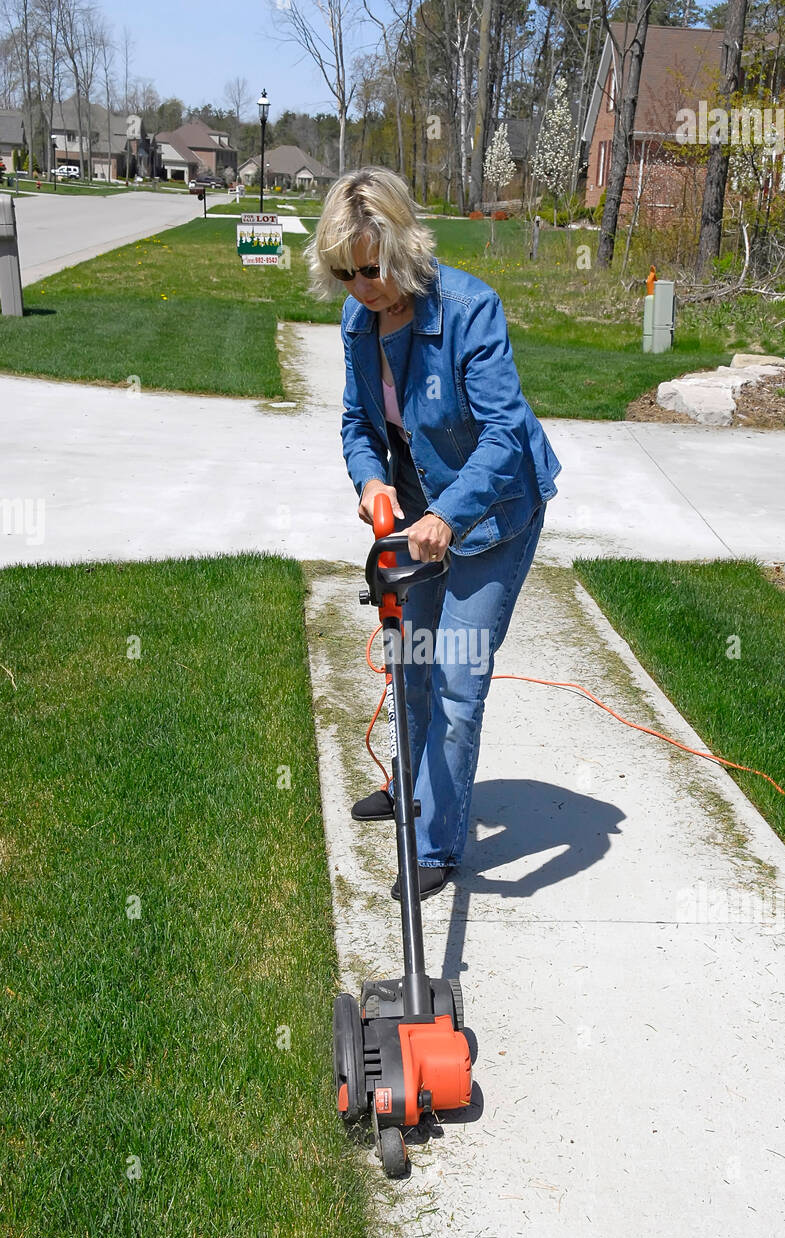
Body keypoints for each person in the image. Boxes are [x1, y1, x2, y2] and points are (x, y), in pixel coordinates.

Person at [303, 167, 562, 900]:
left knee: (454, 680)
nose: (364, 286)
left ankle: (438, 843)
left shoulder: (470, 309)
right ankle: (415, 792)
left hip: (493, 516)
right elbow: (358, 424)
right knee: (409, 664)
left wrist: (449, 516)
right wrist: (372, 482)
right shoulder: (358, 322)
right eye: (347, 272)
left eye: (374, 267)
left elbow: (506, 433)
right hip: (417, 513)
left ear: (403, 244)